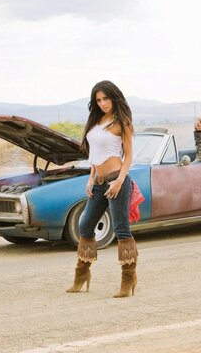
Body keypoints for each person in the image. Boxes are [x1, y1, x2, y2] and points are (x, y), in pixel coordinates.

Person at [66, 80, 138, 298]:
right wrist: (91, 178)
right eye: (98, 100)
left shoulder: (122, 121)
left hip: (117, 179)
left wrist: (118, 182)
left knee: (121, 229)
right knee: (85, 225)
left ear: (114, 98)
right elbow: (94, 155)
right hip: (98, 181)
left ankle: (128, 279)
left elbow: (129, 156)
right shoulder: (96, 121)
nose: (102, 103)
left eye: (106, 98)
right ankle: (82, 275)